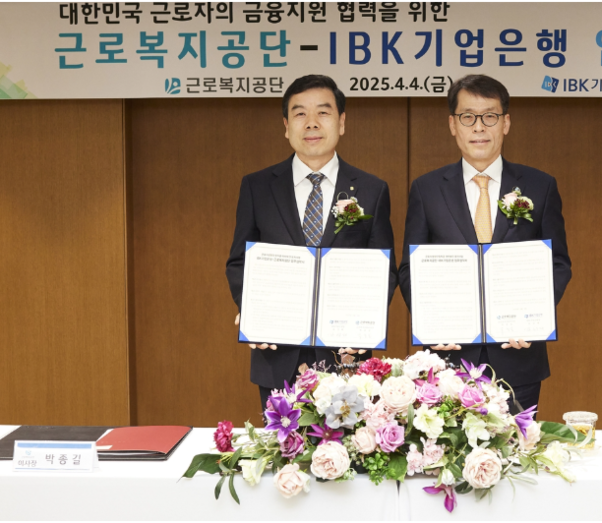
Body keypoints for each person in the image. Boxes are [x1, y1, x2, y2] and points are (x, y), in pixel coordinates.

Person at [398, 74, 571, 414]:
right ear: (453, 125)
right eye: (468, 117)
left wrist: (533, 319)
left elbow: (558, 264)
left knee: (516, 444)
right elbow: (409, 269)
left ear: (505, 123)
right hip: (448, 357)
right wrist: (431, 324)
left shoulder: (540, 186)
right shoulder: (426, 189)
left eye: (490, 116)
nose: (479, 127)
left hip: (517, 356)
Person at [226, 75, 397, 408]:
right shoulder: (258, 187)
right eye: (300, 113)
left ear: (341, 122)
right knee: (282, 439)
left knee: (348, 440)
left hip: (346, 354)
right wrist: (252, 309)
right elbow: (239, 262)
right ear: (286, 126)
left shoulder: (372, 190)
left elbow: (384, 269)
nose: (312, 123)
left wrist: (367, 323)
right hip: (277, 352)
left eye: (323, 112)